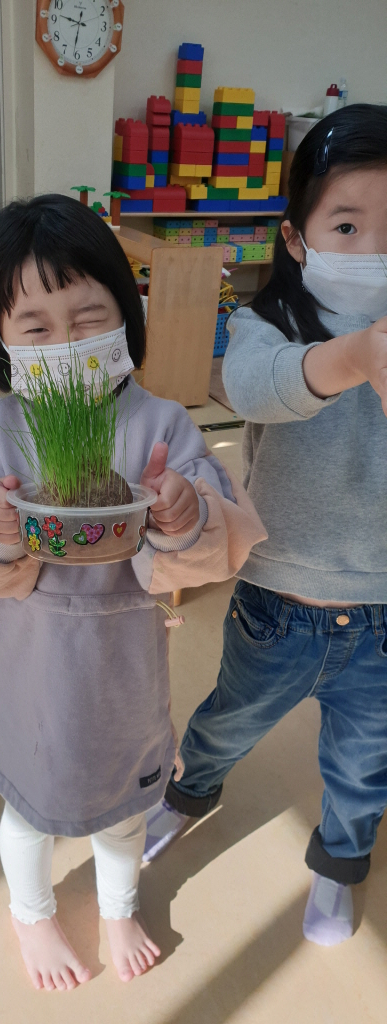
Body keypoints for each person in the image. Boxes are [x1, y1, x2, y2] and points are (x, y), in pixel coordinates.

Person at [0, 194, 265, 991]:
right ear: (1, 340)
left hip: (121, 669)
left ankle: (116, 903)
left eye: (87, 315)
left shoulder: (162, 424)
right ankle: (31, 913)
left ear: (125, 318)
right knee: (29, 811)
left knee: (126, 807)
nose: (64, 341)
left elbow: (212, 547)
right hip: (31, 668)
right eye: (35, 326)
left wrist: (182, 513)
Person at [144, 104, 387, 948]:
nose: (370, 249)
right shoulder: (268, 324)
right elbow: (251, 388)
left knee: (363, 768)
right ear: (295, 238)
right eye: (347, 225)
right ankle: (188, 792)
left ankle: (337, 867)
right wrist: (354, 359)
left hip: (383, 614)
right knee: (227, 718)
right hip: (277, 596)